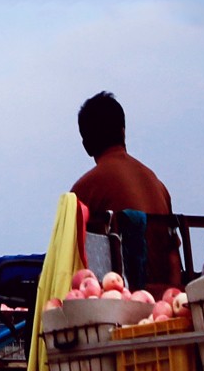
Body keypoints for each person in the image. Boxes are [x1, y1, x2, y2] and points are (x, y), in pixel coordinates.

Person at [68, 91, 181, 293]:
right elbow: (173, 256)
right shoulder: (157, 184)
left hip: (120, 296)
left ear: (86, 145)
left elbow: (71, 262)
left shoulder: (83, 191)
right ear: (123, 132)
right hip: (168, 295)